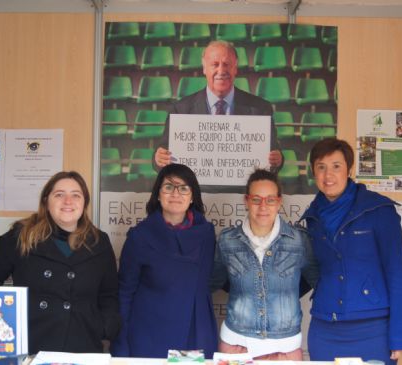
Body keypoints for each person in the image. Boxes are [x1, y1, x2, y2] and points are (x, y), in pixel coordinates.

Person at [0, 171, 120, 354]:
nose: (68, 201)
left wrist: (105, 327)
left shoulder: (99, 241)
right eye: (59, 195)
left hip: (84, 345)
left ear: (84, 203)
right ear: (46, 202)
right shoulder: (22, 236)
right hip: (33, 344)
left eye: (76, 195)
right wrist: (4, 323)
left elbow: (109, 294)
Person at [299, 138, 402, 364]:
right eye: (321, 167)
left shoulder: (379, 210)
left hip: (373, 329)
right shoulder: (312, 217)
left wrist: (399, 336)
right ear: (313, 172)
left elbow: (397, 274)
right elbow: (313, 272)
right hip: (325, 328)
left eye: (336, 166)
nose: (328, 175)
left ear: (349, 169)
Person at [110, 164, 218, 358]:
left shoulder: (207, 233)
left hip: (194, 335)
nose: (176, 193)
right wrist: (121, 345)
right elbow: (125, 293)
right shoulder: (139, 236)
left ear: (192, 196)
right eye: (168, 187)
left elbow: (207, 283)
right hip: (149, 336)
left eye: (183, 188)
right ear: (158, 194)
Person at [210, 169, 318, 360]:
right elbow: (215, 282)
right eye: (256, 199)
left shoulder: (299, 240)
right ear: (246, 201)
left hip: (285, 348)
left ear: (279, 202)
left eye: (270, 199)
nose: (263, 206)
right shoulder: (228, 240)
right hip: (236, 345)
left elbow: (315, 281)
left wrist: (284, 293)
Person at [154, 40, 283, 171]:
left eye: (226, 64)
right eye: (215, 65)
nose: (221, 70)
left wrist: (278, 159)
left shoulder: (261, 109)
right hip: (197, 189)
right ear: (204, 68)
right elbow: (163, 153)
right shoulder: (180, 110)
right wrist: (158, 158)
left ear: (235, 68)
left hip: (242, 190)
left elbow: (273, 155)